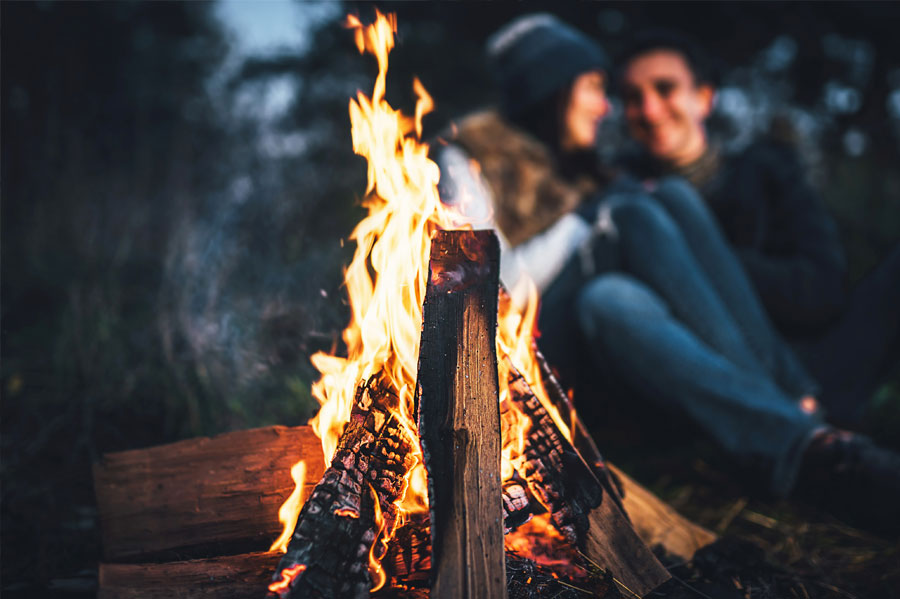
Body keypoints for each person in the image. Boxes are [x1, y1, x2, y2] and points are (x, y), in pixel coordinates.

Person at [434, 14, 900, 524]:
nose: (606, 105)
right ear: (553, 88)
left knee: (612, 295)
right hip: (532, 346)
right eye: (595, 88)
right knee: (636, 212)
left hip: (595, 315)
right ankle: (796, 406)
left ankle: (794, 430)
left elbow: (820, 287)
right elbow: (489, 284)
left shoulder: (584, 163)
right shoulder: (471, 156)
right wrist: (592, 217)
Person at [617, 29, 900, 426]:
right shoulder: (621, 198)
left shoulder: (768, 171)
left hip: (813, 359)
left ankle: (795, 406)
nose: (649, 109)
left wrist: (703, 257)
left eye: (665, 89)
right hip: (704, 380)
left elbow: (822, 292)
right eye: (633, 98)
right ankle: (785, 412)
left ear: (704, 97)